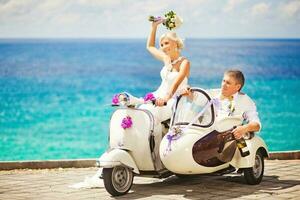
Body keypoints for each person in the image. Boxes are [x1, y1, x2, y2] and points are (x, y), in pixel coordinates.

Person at [140, 18, 190, 124]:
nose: (163, 47)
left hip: (175, 99)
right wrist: (154, 27)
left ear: (176, 44)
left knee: (152, 113)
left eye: (166, 43)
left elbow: (178, 82)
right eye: (161, 45)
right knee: (142, 109)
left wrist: (167, 98)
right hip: (160, 96)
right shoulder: (166, 59)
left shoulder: (184, 62)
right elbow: (150, 46)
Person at [209, 69, 261, 139]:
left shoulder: (245, 101)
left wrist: (244, 128)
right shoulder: (213, 93)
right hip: (204, 132)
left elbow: (257, 125)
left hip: (223, 139)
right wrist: (189, 92)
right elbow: (196, 97)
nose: (223, 85)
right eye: (223, 81)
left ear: (238, 87)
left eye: (228, 83)